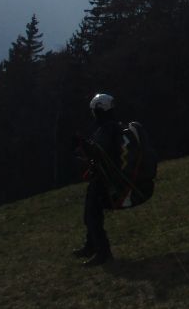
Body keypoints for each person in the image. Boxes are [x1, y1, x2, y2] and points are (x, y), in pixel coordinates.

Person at [74, 92, 122, 266]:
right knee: (90, 212)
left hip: (104, 178)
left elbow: (99, 152)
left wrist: (81, 143)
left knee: (93, 214)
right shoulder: (112, 127)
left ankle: (103, 252)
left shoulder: (108, 128)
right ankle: (91, 245)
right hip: (102, 176)